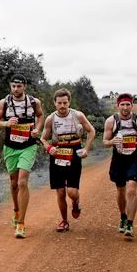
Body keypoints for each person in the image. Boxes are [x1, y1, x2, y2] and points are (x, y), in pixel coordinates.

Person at [0, 74, 45, 239]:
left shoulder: (34, 102)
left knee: (22, 182)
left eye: (19, 86)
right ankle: (16, 210)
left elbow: (41, 116)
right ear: (10, 86)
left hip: (28, 146)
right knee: (14, 183)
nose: (16, 89)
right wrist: (6, 123)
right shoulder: (4, 102)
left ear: (24, 86)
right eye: (13, 86)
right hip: (10, 147)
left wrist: (37, 129)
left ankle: (21, 224)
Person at [40, 88, 96, 232]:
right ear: (54, 103)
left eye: (65, 102)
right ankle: (64, 221)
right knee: (60, 192)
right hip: (57, 154)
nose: (62, 106)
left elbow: (91, 131)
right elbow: (43, 138)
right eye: (59, 103)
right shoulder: (51, 119)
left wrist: (86, 149)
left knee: (71, 192)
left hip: (74, 153)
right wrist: (48, 148)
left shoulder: (78, 115)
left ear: (69, 102)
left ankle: (76, 202)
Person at [101, 93, 137, 238]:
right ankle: (123, 216)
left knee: (131, 190)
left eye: (128, 104)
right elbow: (105, 141)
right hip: (118, 159)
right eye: (122, 104)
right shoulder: (111, 121)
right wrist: (112, 142)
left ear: (132, 105)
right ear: (118, 106)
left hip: (135, 158)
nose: (125, 107)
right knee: (121, 191)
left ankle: (130, 223)